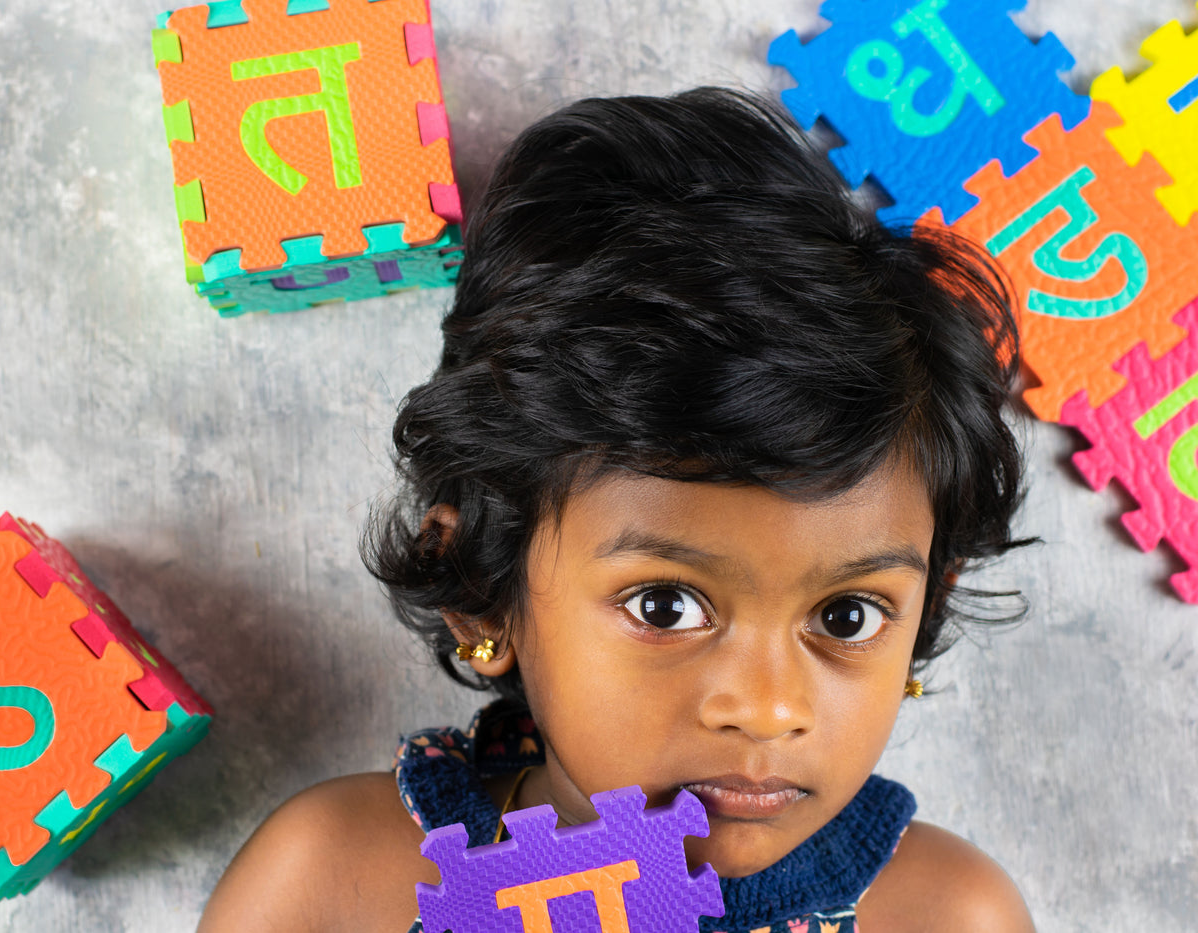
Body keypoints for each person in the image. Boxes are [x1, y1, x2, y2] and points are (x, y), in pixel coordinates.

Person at [198, 87, 1035, 932]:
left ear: (924, 611)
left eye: (848, 615)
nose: (767, 707)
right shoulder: (334, 884)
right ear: (482, 590)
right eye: (665, 606)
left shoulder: (949, 916)